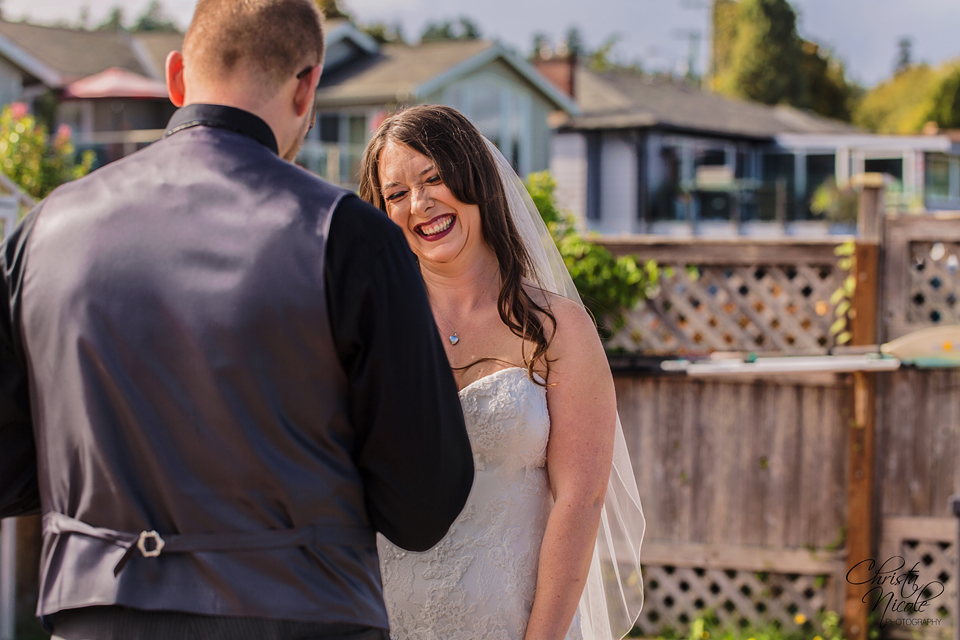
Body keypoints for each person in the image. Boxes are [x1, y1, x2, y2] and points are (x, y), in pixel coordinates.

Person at [0, 2, 474, 639]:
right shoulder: (349, 237)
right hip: (302, 619)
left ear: (176, 77)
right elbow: (423, 504)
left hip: (97, 620)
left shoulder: (41, 234)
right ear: (307, 87)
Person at [358, 105, 645, 640]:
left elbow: (580, 500)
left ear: (475, 177)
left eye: (433, 178)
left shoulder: (558, 329)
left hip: (513, 623)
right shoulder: (366, 328)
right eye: (396, 193)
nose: (419, 204)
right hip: (379, 618)